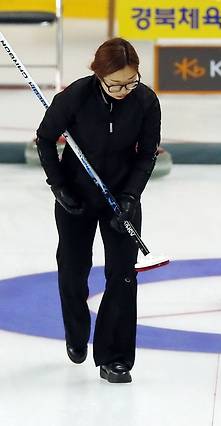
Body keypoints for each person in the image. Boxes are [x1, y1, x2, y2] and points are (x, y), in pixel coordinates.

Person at [35, 38, 161, 383]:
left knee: (122, 276)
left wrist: (131, 197)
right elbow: (45, 139)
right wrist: (58, 186)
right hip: (75, 197)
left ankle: (114, 358)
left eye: (130, 81)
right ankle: (76, 331)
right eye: (115, 83)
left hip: (121, 198)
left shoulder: (146, 101)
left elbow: (147, 153)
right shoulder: (74, 98)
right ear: (99, 75)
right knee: (74, 270)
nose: (124, 90)